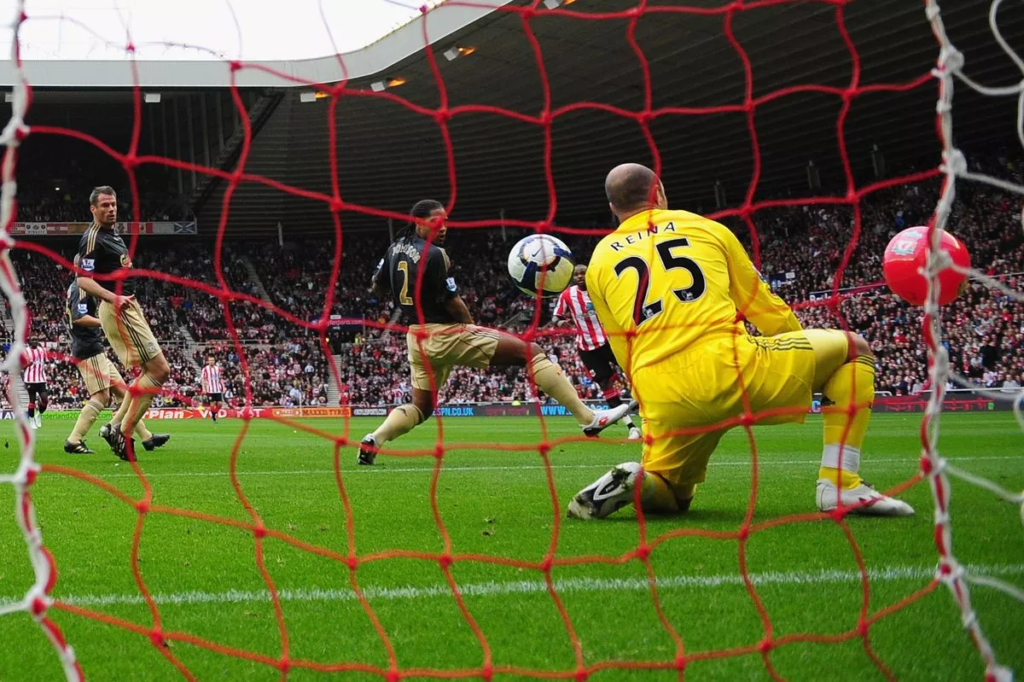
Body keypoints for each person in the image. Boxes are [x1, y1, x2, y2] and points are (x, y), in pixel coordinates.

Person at [567, 164, 913, 519]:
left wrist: (649, 400)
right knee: (854, 350)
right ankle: (840, 483)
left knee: (673, 494)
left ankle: (639, 481)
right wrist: (801, 357)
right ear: (659, 193)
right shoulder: (706, 228)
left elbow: (621, 347)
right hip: (732, 367)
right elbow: (764, 307)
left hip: (662, 392)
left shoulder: (598, 262)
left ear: (613, 208)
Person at [357, 200, 636, 465]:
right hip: (445, 333)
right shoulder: (436, 254)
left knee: (421, 408)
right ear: (419, 221)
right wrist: (470, 327)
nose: (443, 227)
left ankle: (374, 439)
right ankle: (588, 419)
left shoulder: (395, 248)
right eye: (436, 222)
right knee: (531, 352)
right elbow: (453, 301)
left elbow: (376, 285)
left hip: (416, 337)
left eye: (446, 221)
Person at [76, 186, 170, 461]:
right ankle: (123, 431)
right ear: (93, 209)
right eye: (105, 205)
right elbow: (82, 280)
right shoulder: (92, 238)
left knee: (149, 371)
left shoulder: (112, 234)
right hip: (118, 308)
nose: (111, 209)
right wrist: (112, 298)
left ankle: (115, 426)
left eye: (113, 204)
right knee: (160, 370)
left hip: (128, 305)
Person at [64, 273, 170, 457]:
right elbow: (78, 317)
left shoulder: (80, 288)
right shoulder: (81, 288)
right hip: (88, 349)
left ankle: (146, 437)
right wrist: (105, 323)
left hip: (94, 348)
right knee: (101, 396)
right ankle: (74, 440)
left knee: (124, 392)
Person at [549, 264, 642, 440]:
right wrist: (560, 322)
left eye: (582, 273)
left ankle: (645, 407)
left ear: (588, 274)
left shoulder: (598, 290)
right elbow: (555, 316)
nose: (579, 277)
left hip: (609, 341)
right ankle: (631, 427)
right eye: (576, 274)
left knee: (632, 370)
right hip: (587, 348)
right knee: (605, 385)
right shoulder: (567, 295)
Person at [23, 338, 49, 430]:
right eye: (33, 340)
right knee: (32, 400)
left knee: (45, 399)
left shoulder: (42, 350)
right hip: (30, 380)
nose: (35, 341)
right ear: (29, 342)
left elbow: (46, 361)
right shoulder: (25, 351)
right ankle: (31, 420)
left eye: (36, 340)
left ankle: (38, 415)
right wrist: (28, 364)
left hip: (41, 379)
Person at [201, 356, 224, 423]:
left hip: (217, 389)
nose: (211, 361)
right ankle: (213, 417)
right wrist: (204, 388)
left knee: (220, 404)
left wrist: (222, 386)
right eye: (210, 360)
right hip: (210, 390)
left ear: (214, 361)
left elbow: (220, 379)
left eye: (212, 360)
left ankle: (214, 414)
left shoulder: (217, 369)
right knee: (212, 404)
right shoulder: (205, 369)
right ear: (208, 361)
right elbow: (203, 379)